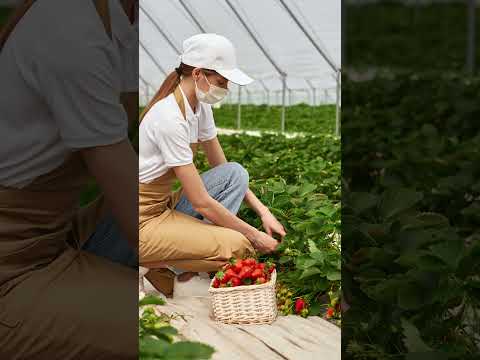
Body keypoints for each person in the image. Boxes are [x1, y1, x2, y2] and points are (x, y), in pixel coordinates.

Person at [0, 1, 138, 358]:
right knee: (176, 318)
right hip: (12, 272)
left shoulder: (117, 20)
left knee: (187, 194)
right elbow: (129, 193)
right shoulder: (71, 26)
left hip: (51, 236)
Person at [138, 33, 286, 296]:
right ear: (198, 74)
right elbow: (201, 202)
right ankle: (149, 264)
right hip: (140, 221)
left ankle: (178, 261)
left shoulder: (199, 108)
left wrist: (263, 211)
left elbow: (222, 165)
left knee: (234, 174)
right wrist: (254, 234)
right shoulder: (168, 118)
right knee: (239, 245)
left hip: (164, 204)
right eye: (221, 81)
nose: (225, 89)